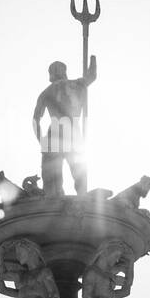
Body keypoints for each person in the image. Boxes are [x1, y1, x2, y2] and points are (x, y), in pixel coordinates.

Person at [32, 56, 96, 195]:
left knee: (52, 182)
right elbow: (92, 75)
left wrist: (41, 140)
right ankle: (82, 200)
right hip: (72, 131)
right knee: (79, 172)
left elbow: (36, 119)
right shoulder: (77, 84)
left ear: (51, 75)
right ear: (64, 72)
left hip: (53, 134)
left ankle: (54, 204)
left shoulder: (46, 92)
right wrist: (93, 58)